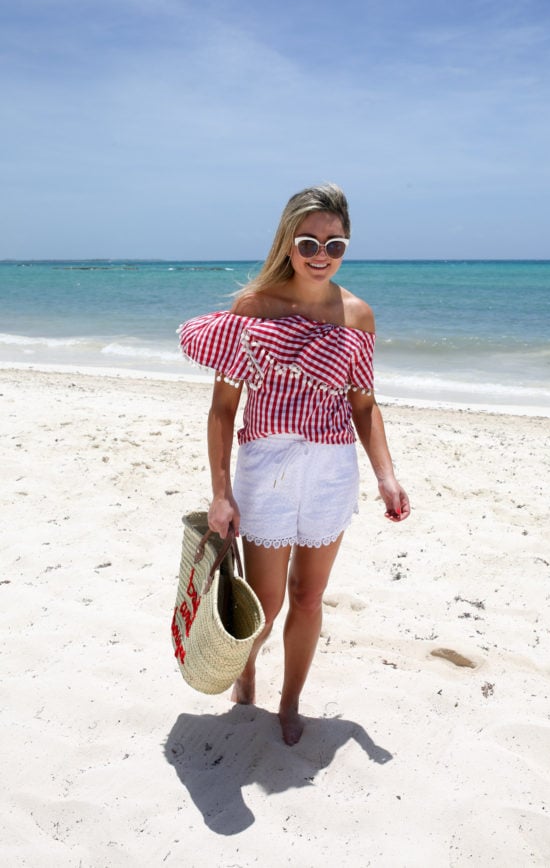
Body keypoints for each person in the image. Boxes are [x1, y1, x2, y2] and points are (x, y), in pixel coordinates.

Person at [179, 183, 410, 745]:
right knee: (269, 600)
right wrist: (221, 492)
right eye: (308, 242)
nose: (320, 255)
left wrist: (386, 475)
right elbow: (222, 410)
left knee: (309, 598)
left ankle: (290, 702)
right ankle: (246, 667)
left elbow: (363, 402)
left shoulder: (358, 315)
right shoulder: (253, 309)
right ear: (287, 242)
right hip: (266, 467)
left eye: (334, 244)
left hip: (332, 469)